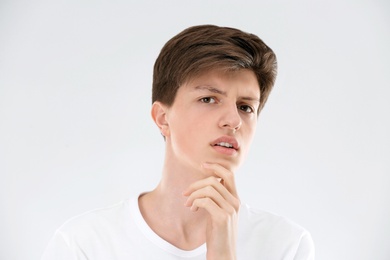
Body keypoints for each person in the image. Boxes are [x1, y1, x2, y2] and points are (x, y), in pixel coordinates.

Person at [42, 24, 315, 259]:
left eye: (245, 107)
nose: (233, 120)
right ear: (162, 118)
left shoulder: (286, 246)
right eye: (208, 99)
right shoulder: (84, 244)